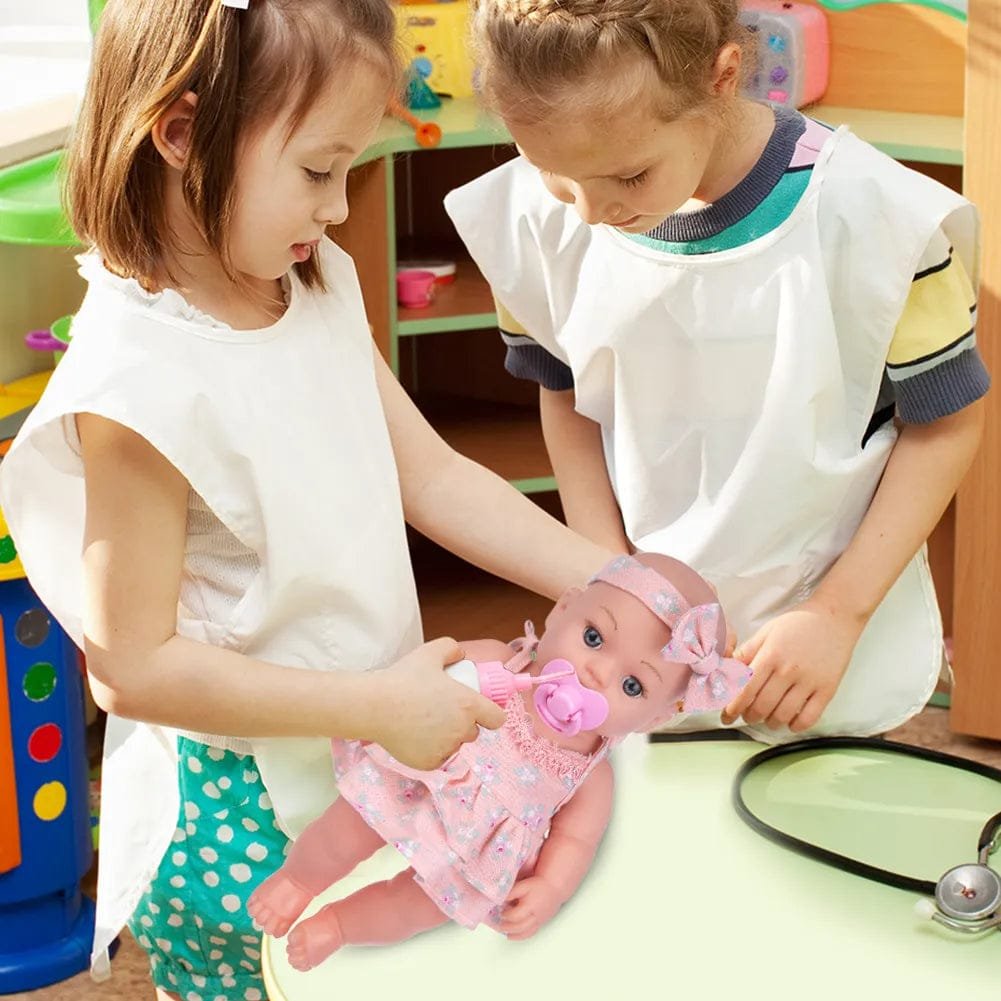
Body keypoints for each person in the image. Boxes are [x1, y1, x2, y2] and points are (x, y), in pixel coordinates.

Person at [0, 2, 613, 999]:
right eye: (317, 169)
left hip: (364, 745)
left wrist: (616, 582)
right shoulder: (140, 384)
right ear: (183, 133)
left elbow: (433, 475)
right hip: (245, 803)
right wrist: (379, 706)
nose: (337, 207)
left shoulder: (309, 276)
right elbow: (130, 669)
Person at [445, 0, 988, 743]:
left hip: (816, 642)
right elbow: (565, 392)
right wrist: (611, 579)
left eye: (629, 176)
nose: (591, 211)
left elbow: (947, 425)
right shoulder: (538, 217)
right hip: (638, 648)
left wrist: (837, 612)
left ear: (722, 77)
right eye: (556, 177)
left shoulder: (876, 221)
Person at [248, 552, 749, 970]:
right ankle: (299, 878)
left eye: (633, 685)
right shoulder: (495, 661)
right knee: (347, 828)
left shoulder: (591, 774)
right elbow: (424, 677)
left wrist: (551, 889)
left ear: (655, 718)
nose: (596, 674)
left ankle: (339, 925)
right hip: (416, 778)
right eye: (593, 637)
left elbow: (576, 840)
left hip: (474, 852)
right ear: (563, 609)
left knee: (418, 908)